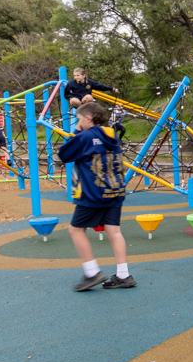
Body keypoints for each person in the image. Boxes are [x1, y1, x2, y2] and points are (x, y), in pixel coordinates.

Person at [56, 102, 135, 291]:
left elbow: (64, 155)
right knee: (114, 231)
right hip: (114, 190)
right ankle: (123, 275)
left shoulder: (83, 137)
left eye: (79, 119)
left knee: (76, 230)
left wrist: (76, 133)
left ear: (88, 118)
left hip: (93, 192)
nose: (78, 122)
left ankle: (91, 272)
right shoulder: (111, 135)